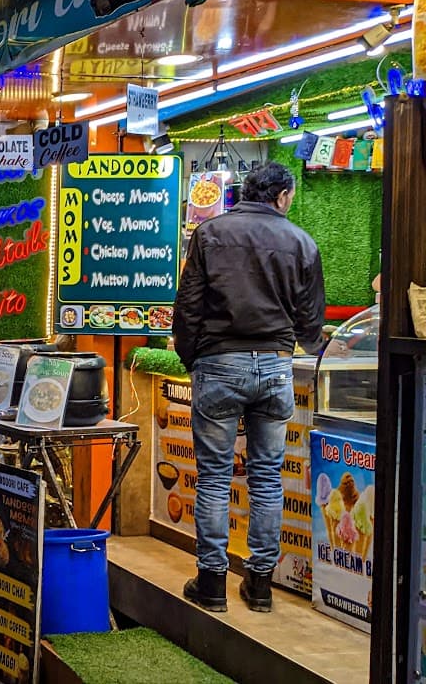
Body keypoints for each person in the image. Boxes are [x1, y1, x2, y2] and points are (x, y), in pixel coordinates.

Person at [174, 162, 325, 614]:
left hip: (219, 363)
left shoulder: (209, 233)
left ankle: (213, 583)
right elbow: (312, 321)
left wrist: (193, 357)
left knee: (216, 478)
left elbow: (188, 306)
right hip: (277, 368)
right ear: (281, 196)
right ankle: (260, 586)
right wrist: (294, 342)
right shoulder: (302, 242)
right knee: (266, 478)